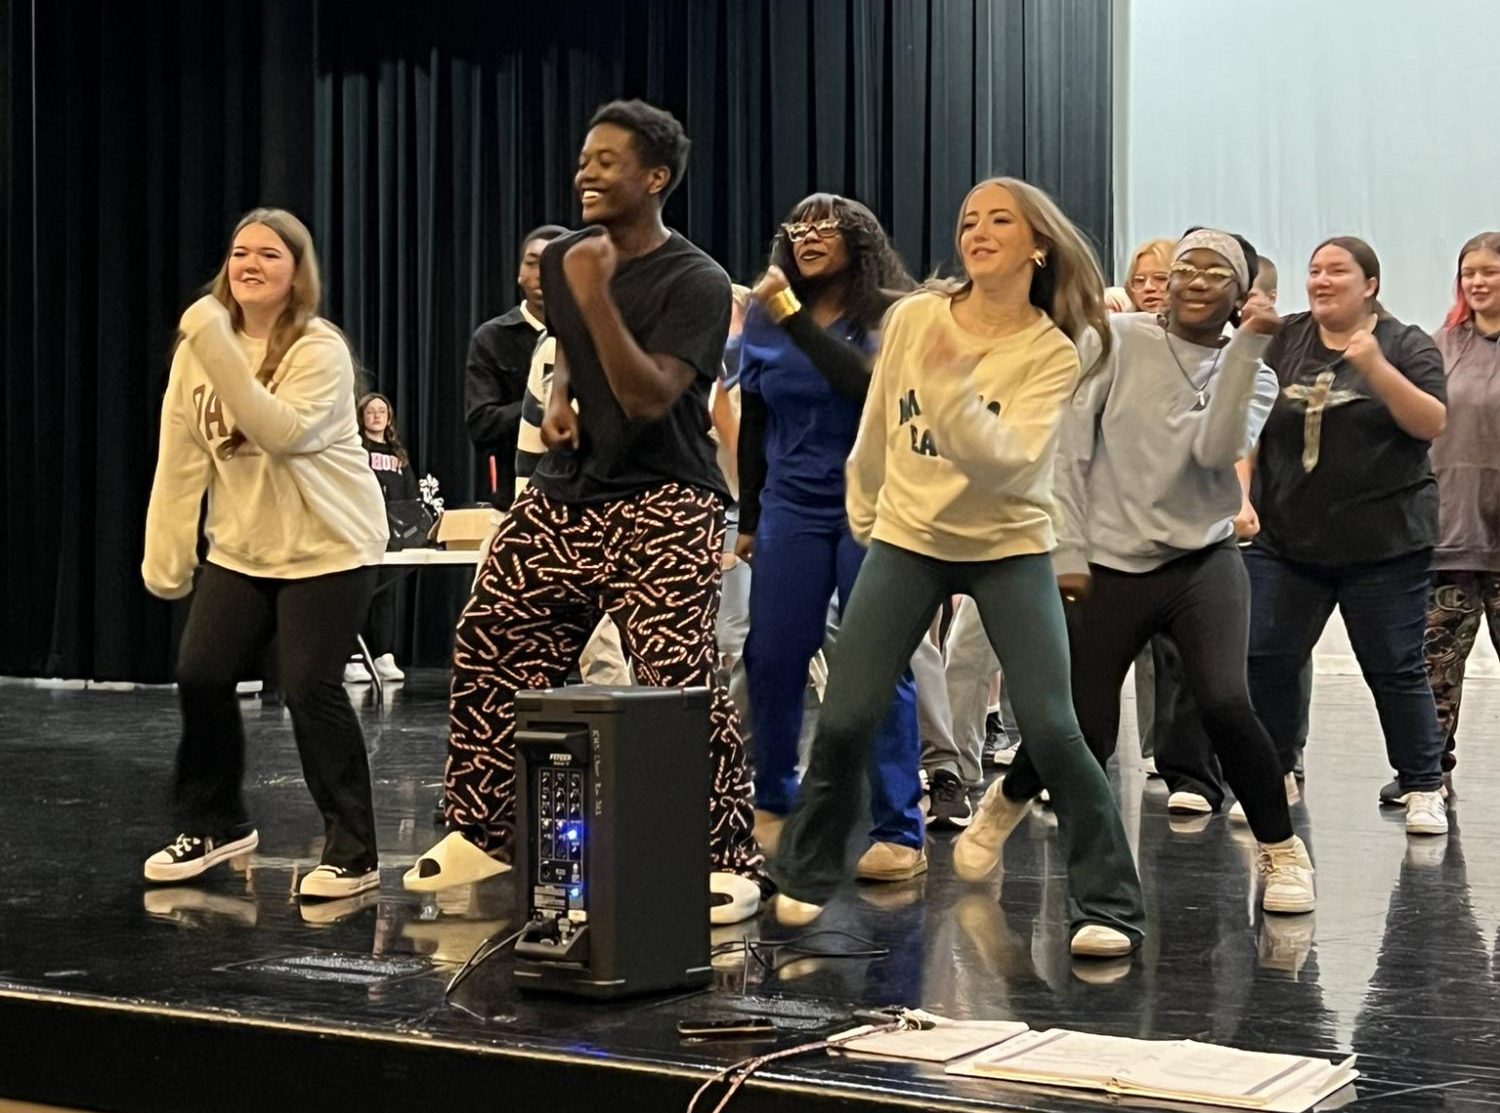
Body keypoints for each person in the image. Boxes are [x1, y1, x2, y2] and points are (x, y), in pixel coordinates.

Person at [771, 177, 1146, 960]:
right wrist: (866, 507)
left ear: (1037, 245)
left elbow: (1007, 465)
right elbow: (878, 419)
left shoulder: (1049, 349)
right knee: (844, 713)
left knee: (1052, 724)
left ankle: (1107, 901)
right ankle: (806, 874)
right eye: (969, 217)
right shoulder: (914, 317)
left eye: (1000, 220)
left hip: (1008, 544)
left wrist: (950, 390)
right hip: (909, 536)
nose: (978, 230)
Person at [409, 101, 764, 923]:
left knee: (673, 673)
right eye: (582, 159)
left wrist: (597, 297)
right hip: (568, 490)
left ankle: (724, 854)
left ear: (655, 178)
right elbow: (568, 346)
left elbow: (649, 397)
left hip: (666, 497)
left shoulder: (697, 280)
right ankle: (488, 826)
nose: (586, 173)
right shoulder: (569, 258)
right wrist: (563, 396)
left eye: (608, 161)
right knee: (491, 634)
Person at [1003, 229, 1315, 914]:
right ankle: (1007, 802)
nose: (1197, 280)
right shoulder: (1116, 338)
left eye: (1215, 272)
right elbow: (1069, 445)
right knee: (1080, 719)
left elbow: (1215, 449)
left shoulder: (1255, 369)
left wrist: (1246, 351)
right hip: (1111, 560)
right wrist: (1068, 548)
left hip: (1202, 558)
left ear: (1241, 293)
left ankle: (1282, 850)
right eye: (1185, 268)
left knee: (1225, 700)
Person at [141, 208, 387, 900]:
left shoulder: (319, 348)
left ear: (297, 274)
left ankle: (354, 849)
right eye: (240, 251)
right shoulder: (199, 349)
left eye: (270, 255)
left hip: (329, 546)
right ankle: (215, 822)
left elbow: (279, 432)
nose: (250, 263)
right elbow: (182, 452)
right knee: (201, 672)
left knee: (309, 685)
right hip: (243, 547)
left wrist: (216, 344)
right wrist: (167, 547)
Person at [735, 193, 927, 871]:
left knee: (877, 662)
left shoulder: (893, 312)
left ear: (859, 239)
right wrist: (751, 516)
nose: (808, 235)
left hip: (872, 507)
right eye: (798, 226)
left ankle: (899, 827)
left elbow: (860, 385)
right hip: (790, 503)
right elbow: (754, 416)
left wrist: (790, 314)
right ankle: (775, 797)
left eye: (826, 226)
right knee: (773, 655)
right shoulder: (764, 317)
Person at [1246, 237, 1450, 835]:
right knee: (1268, 660)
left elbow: (1430, 421)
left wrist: (1373, 368)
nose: (1322, 280)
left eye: (1337, 271)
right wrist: (1240, 497)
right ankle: (1275, 772)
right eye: (1314, 271)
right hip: (1288, 542)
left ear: (1371, 286)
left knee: (1394, 665)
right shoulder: (1284, 339)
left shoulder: (1406, 344)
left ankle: (1421, 785)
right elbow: (1247, 423)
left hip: (1385, 546)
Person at [1419, 231, 1500, 794]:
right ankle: (1427, 771)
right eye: (1469, 271)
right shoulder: (1439, 347)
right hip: (1451, 534)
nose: (1477, 281)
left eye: (1490, 271)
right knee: (1435, 666)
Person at [465, 224, 569, 508]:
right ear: (519, 273)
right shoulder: (492, 338)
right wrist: (541, 408)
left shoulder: (595, 335)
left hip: (585, 497)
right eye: (533, 263)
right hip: (516, 499)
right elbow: (481, 425)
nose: (542, 274)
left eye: (554, 264)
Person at [345, 391, 418, 684]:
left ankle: (383, 655)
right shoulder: (355, 449)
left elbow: (410, 496)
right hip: (360, 535)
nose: (376, 416)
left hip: (392, 539)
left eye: (382, 412)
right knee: (356, 594)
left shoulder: (398, 455)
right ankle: (353, 658)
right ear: (361, 417)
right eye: (371, 412)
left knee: (386, 595)